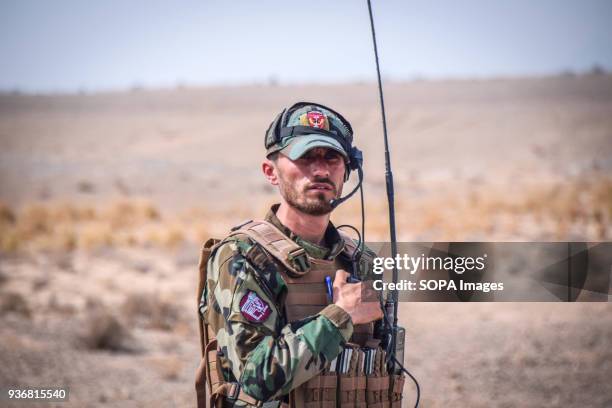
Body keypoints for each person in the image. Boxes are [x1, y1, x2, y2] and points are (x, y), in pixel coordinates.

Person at [196, 102, 387, 408]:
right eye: (305, 157)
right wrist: (340, 317)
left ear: (348, 170)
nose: (321, 170)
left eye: (333, 158)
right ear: (270, 172)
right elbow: (254, 379)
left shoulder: (361, 261)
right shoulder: (243, 257)